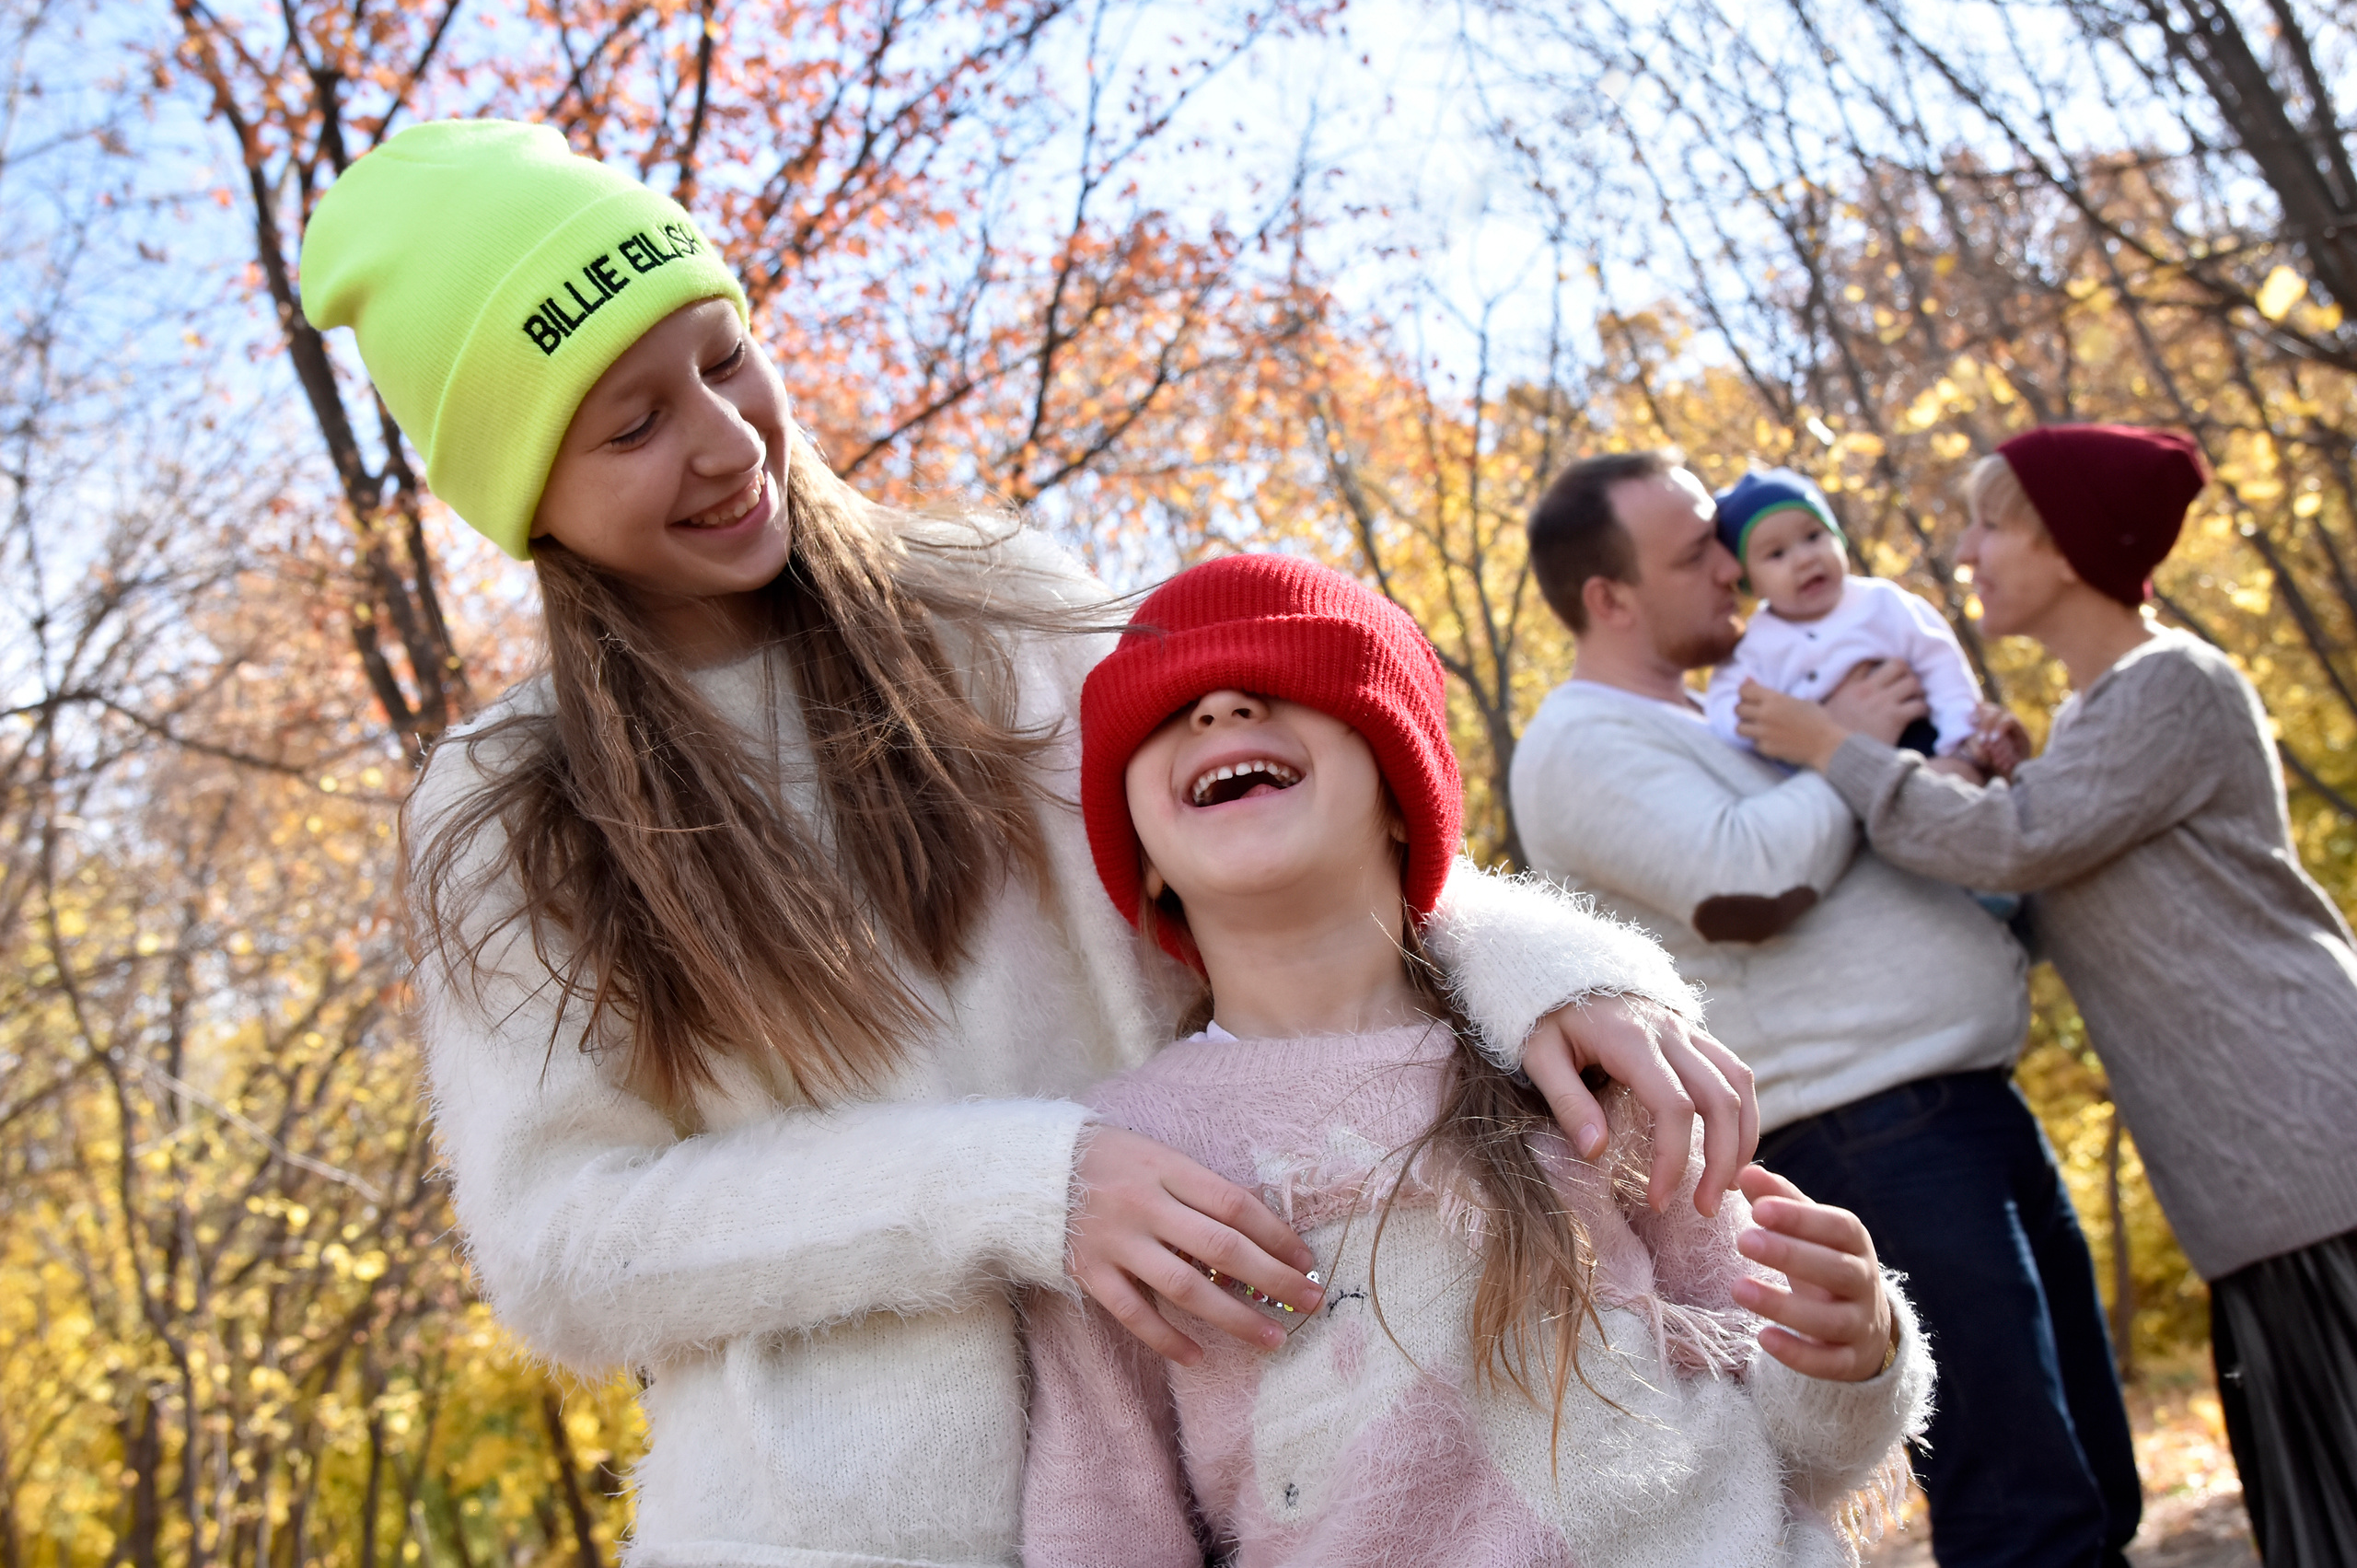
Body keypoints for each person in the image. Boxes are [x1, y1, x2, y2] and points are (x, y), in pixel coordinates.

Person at [297, 121, 1760, 1567]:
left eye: (725, 354)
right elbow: (566, 1246)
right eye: (632, 424)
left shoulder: (1000, 609)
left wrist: (1545, 976)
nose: (729, 439)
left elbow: (1261, 841)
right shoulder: (514, 801)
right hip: (828, 1539)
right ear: (525, 500)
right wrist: (1026, 1188)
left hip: (1250, 1470)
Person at [1021, 553, 1929, 1567]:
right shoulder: (1118, 1167)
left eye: (1285, 680)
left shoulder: (1580, 1066)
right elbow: (1102, 1520)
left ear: (1402, 788)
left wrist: (1851, 1355)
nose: (1222, 705)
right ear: (1138, 850)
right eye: (1167, 709)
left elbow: (1801, 1448)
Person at [1509, 449, 2143, 1568]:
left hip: (1958, 1111)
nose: (1731, 562)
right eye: (1696, 549)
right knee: (2024, 1508)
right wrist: (1844, 746)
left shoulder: (1733, 719)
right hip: (1868, 1137)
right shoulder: (1579, 740)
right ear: (1608, 598)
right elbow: (1741, 881)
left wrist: (1948, 766)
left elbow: (1865, 834)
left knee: (2092, 1473)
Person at [1738, 424, 2357, 1568]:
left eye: (1989, 522)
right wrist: (2019, 773)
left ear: (2066, 545)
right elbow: (2046, 842)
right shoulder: (2093, 720)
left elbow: (2017, 844)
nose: (1963, 549)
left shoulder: (2170, 682)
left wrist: (1838, 748)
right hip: (2257, 1175)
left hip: (2313, 1130)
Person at [1702, 468, 1983, 761]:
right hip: (1825, 767)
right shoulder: (1754, 647)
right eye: (1777, 554)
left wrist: (1960, 737)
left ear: (1838, 536)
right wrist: (1752, 728)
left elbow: (1940, 663)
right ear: (1750, 582)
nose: (1805, 558)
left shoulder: (1882, 603)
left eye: (1813, 536)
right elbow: (1724, 704)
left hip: (1922, 742)